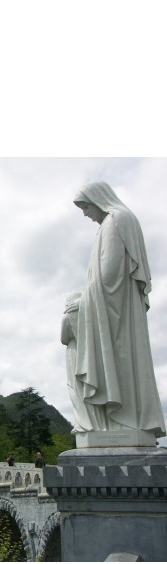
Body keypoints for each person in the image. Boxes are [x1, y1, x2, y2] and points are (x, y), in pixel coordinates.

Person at [67, 181, 165, 439]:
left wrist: (83, 302)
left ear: (98, 200)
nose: (86, 214)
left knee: (119, 360)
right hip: (114, 307)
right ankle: (126, 422)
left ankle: (124, 423)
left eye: (86, 207)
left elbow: (109, 275)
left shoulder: (116, 220)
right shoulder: (116, 222)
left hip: (114, 310)